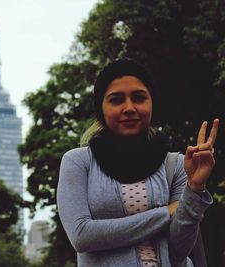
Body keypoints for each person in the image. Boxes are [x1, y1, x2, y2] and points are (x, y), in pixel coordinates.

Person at [57, 59, 218, 267]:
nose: (130, 108)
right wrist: (166, 212)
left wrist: (195, 189)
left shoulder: (175, 164)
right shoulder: (79, 162)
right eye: (116, 100)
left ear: (152, 103)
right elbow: (82, 236)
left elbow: (180, 248)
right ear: (101, 107)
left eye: (139, 98)